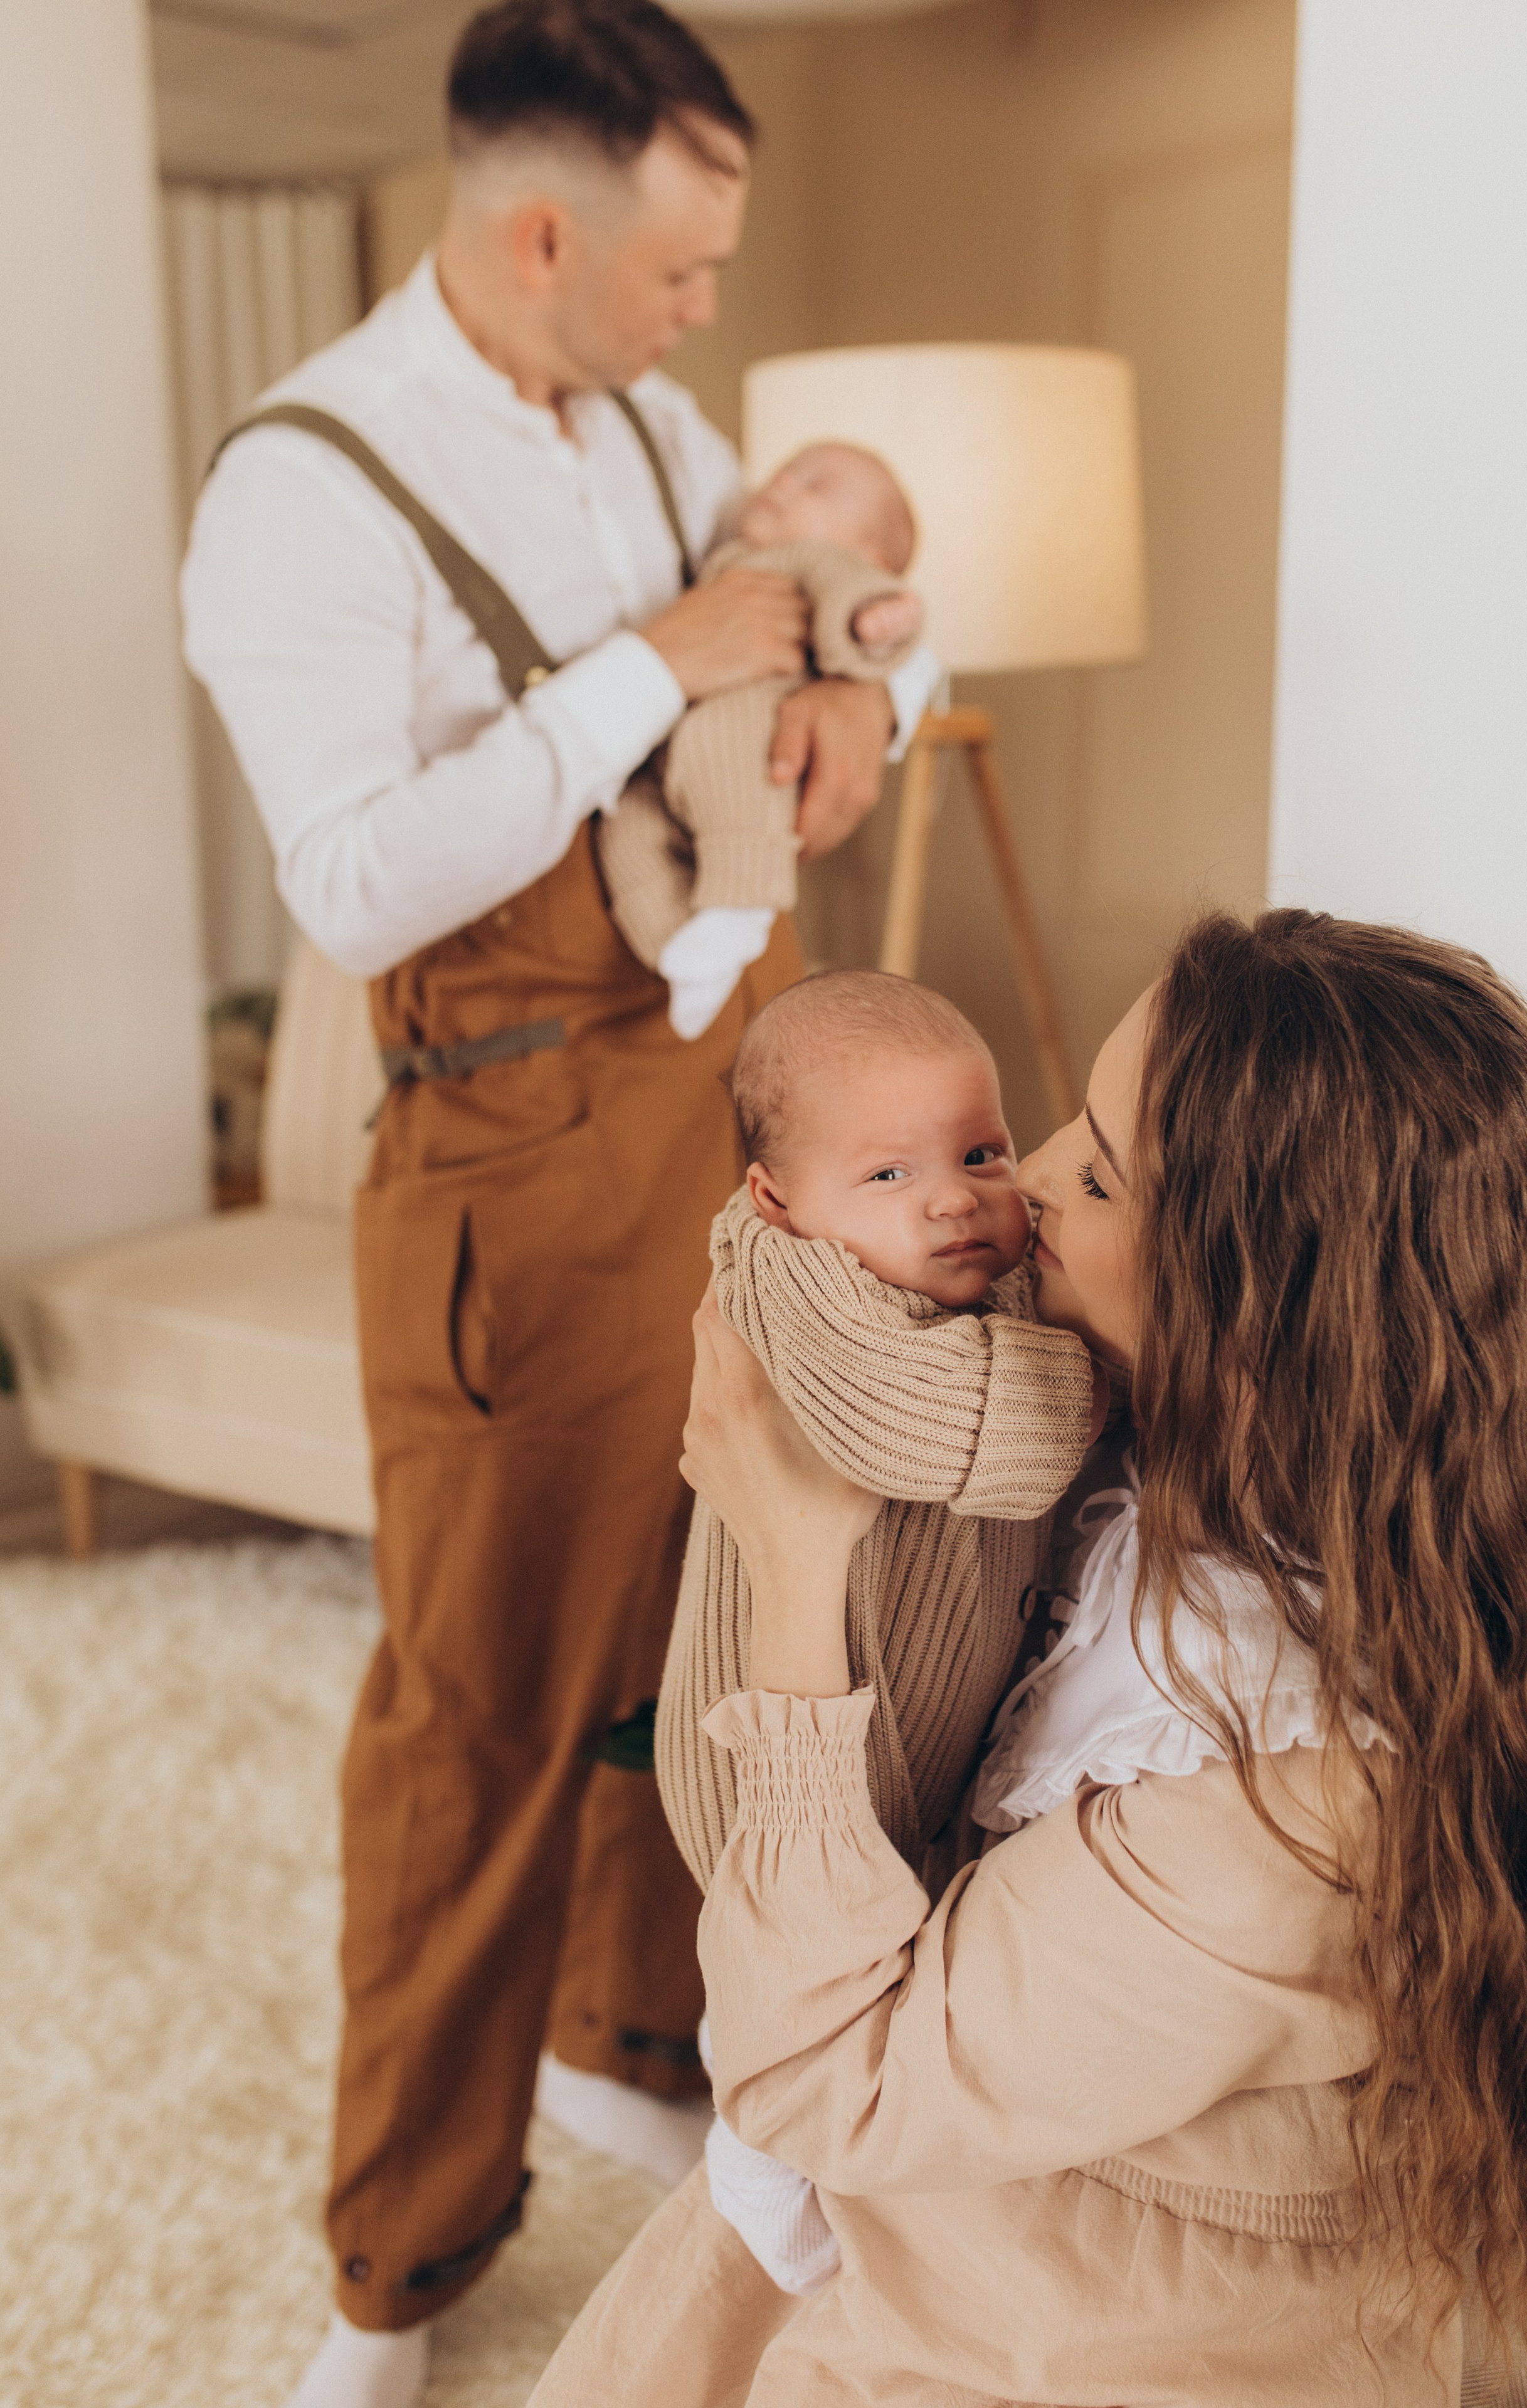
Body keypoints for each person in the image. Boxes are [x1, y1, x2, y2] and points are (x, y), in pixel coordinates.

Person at [179, 4, 938, 2403]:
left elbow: (834, 610)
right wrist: (644, 671)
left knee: (719, 1619)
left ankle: (630, 2037)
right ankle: (397, 2268)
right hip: (511, 1150)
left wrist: (854, 713)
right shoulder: (301, 490)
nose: (705, 315)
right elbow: (356, 883)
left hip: (742, 1101)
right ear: (539, 235)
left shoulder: (658, 428)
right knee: (478, 1710)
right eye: (681, 271)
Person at [533, 909, 1527, 2406]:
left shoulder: (1272, 1804)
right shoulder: (1276, 1445)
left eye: (1094, 1173)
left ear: (1244, 1310)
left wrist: (792, 1558)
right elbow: (796, 1251)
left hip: (1069, 2315)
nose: (1024, 1177)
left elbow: (820, 2079)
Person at [650, 970, 1096, 2291]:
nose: (953, 1199)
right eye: (890, 1174)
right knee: (786, 1949)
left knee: (894, 1955)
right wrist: (1100, 1379)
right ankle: (752, 2125)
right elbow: (929, 1427)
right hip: (761, 1743)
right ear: (775, 1198)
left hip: (916, 1721)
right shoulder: (787, 1280)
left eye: (980, 1154)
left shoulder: (979, 1285)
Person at [598, 448, 923, 1036]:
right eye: (785, 472)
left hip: (751, 726)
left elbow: (846, 587)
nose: (784, 483)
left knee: (721, 751)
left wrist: (870, 619)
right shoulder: (726, 559)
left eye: (817, 486)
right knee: (626, 830)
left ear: (870, 554)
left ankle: (740, 902)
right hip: (663, 753)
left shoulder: (805, 560)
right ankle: (681, 952)